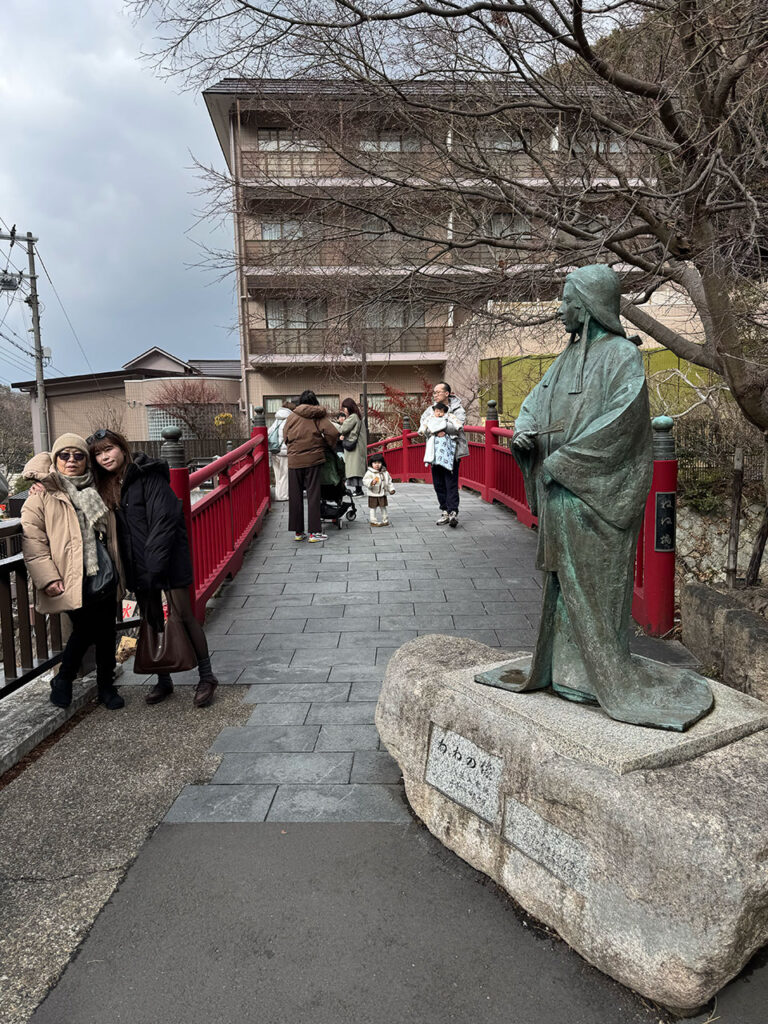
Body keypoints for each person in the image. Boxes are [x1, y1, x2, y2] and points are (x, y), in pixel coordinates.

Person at [476, 263, 712, 731]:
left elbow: (622, 423)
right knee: (563, 589)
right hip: (561, 495)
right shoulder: (564, 359)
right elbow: (535, 404)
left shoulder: (622, 356)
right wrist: (525, 432)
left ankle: (598, 676)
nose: (561, 310)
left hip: (594, 498)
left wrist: (563, 462)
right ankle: (564, 671)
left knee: (596, 593)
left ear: (587, 307)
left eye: (567, 301)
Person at [86, 428, 219, 708]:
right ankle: (163, 679)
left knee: (184, 616)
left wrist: (154, 568)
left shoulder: (148, 475)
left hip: (166, 562)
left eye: (109, 449)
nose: (105, 457)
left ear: (122, 448)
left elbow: (164, 522)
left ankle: (207, 677)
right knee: (152, 619)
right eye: (98, 454)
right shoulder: (107, 485)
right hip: (137, 566)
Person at [21, 433, 124, 710]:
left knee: (105, 631)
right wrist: (48, 577)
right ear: (54, 459)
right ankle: (65, 678)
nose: (71, 460)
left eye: (78, 455)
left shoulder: (98, 487)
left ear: (86, 461)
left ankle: (104, 686)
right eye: (64, 455)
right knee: (85, 629)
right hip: (69, 575)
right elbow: (33, 541)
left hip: (103, 572)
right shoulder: (42, 495)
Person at [284, 390, 340, 543]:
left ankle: (298, 532)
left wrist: (293, 448)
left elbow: (285, 436)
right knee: (313, 495)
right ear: (314, 401)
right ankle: (314, 532)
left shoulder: (292, 416)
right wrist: (327, 445)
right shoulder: (318, 415)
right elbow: (333, 433)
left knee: (295, 495)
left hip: (294, 460)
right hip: (313, 460)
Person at [418, 382, 468, 526]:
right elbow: (423, 425)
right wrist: (435, 429)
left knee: (450, 482)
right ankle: (445, 510)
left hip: (452, 451)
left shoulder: (457, 409)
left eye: (438, 392)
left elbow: (458, 426)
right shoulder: (430, 409)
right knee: (438, 483)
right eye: (434, 392)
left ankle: (453, 512)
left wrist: (440, 427)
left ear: (447, 393)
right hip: (435, 452)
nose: (435, 395)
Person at [336, 397, 367, 495]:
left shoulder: (353, 417)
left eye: (344, 408)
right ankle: (358, 490)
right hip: (359, 446)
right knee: (356, 469)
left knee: (355, 469)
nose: (344, 410)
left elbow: (342, 429)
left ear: (349, 407)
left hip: (355, 448)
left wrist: (332, 424)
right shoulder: (358, 416)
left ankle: (358, 490)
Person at [422, 402, 457, 477]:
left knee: (447, 475)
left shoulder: (449, 417)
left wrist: (443, 427)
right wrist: (436, 432)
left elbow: (457, 427)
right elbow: (424, 428)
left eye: (441, 411)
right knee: (437, 475)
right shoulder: (430, 418)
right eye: (437, 411)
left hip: (446, 442)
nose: (438, 413)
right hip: (434, 443)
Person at [270, 400, 295, 501]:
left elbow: (269, 432)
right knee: (284, 475)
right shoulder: (289, 420)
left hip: (274, 450)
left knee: (278, 476)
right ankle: (283, 496)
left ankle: (278, 495)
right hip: (284, 452)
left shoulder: (277, 420)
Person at [362, 453, 396, 527]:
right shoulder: (369, 472)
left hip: (382, 493)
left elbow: (389, 482)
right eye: (375, 463)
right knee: (373, 508)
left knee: (383, 507)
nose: (377, 465)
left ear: (382, 463)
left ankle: (385, 520)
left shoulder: (385, 472)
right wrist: (371, 482)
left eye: (379, 463)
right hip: (373, 494)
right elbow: (365, 480)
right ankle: (373, 521)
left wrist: (391, 489)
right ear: (371, 464)